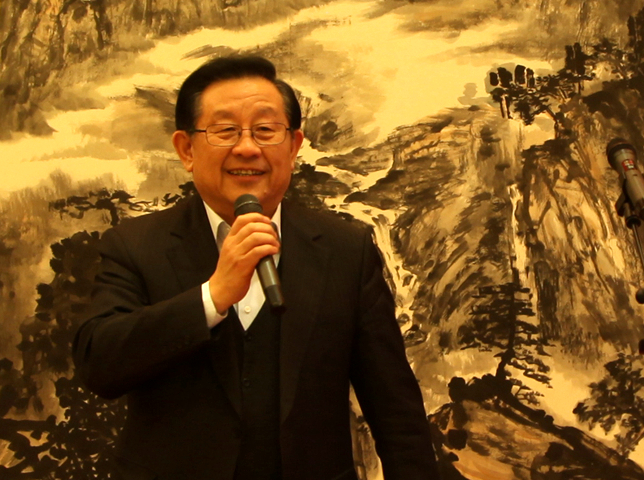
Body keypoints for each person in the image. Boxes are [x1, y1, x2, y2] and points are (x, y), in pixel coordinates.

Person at [72, 55, 440, 480]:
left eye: (265, 130)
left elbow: (394, 408)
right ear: (186, 150)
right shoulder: (135, 244)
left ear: (294, 146)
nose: (247, 148)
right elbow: (100, 364)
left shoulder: (345, 249)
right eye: (225, 130)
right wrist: (212, 297)